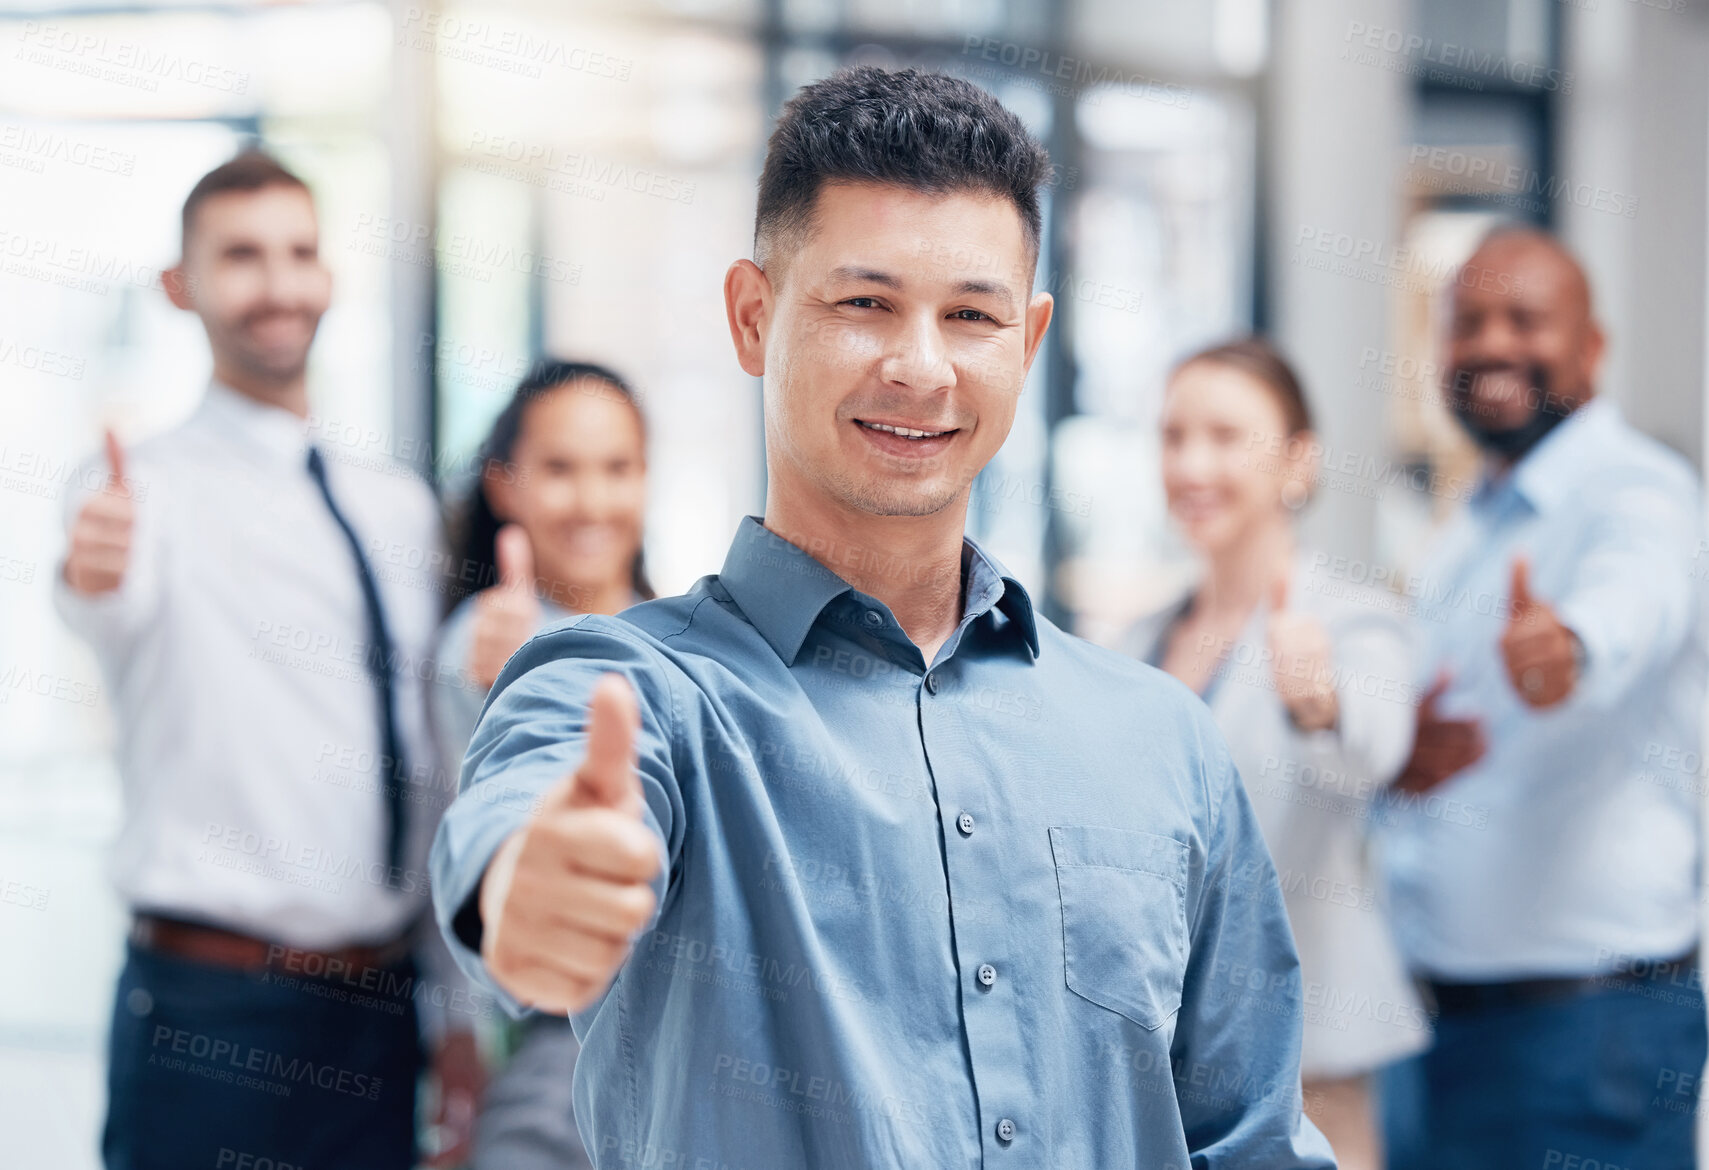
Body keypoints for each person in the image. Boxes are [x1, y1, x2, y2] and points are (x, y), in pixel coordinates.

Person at [430, 66, 1333, 1168]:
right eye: (864, 304)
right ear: (752, 316)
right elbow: (526, 804)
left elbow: (1250, 1140)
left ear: (1028, 340)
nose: (920, 366)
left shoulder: (1162, 738)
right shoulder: (635, 690)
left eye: (969, 315)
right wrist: (523, 890)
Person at [55, 150, 482, 1170]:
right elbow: (98, 601)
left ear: (329, 277)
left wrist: (455, 1008)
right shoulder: (132, 494)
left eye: (299, 253)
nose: (279, 284)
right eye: (241, 256)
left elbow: (429, 766)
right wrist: (93, 571)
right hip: (209, 1015)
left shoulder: (396, 505)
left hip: (379, 1013)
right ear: (180, 286)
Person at [1375, 226, 1707, 1169]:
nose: (1490, 344)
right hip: (1439, 1031)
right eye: (1466, 322)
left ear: (1590, 350)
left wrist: (1566, 649)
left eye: (1525, 319)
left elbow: (1633, 600)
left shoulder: (1639, 488)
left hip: (1584, 1036)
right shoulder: (1466, 524)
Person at [1122, 338, 1428, 1170]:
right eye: (1173, 435)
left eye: (1224, 436)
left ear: (1297, 460)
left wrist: (1317, 701)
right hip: (1162, 1053)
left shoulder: (1351, 620)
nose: (1190, 463)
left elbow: (1373, 749)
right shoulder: (1138, 640)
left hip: (1309, 1053)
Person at [434, 359, 653, 1170]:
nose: (593, 501)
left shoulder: (694, 638)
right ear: (503, 485)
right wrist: (492, 683)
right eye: (559, 470)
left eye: (617, 468)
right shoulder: (489, 640)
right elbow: (456, 831)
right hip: (557, 1059)